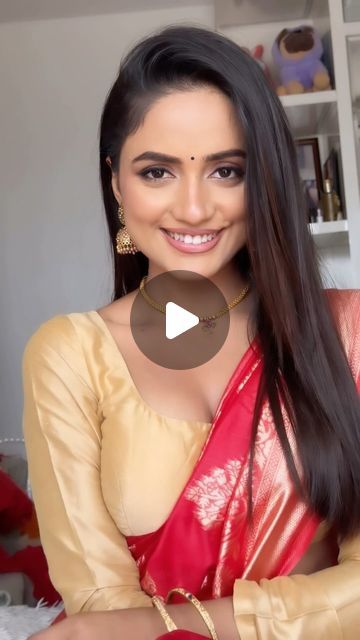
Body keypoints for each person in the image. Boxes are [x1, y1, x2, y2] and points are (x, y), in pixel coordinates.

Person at [22, 24, 360, 640]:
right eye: (158, 172)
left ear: (265, 182)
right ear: (116, 183)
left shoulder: (346, 333)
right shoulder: (71, 354)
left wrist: (190, 622)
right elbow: (100, 607)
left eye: (227, 171)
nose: (196, 208)